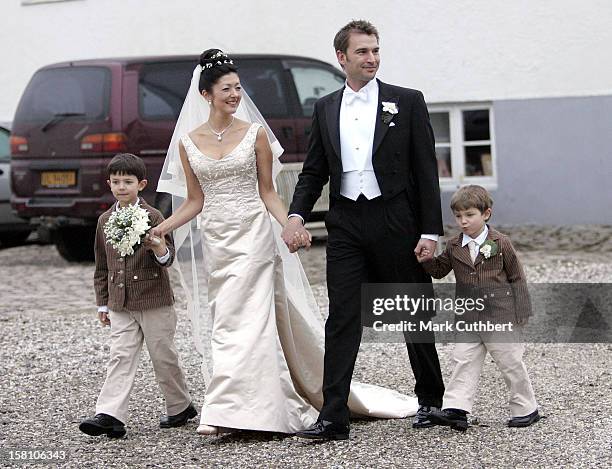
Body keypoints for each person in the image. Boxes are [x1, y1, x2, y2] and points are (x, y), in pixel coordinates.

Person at [153, 49, 419, 437]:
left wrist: (291, 224)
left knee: (252, 322)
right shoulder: (189, 143)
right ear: (206, 95)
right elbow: (195, 200)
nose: (234, 94)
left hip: (255, 236)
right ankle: (238, 406)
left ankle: (244, 411)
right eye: (226, 88)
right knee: (227, 320)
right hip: (218, 241)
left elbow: (268, 192)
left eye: (238, 88)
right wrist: (163, 227)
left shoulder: (255, 134)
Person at [282, 20, 445, 440]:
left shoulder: (407, 102)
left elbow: (426, 171)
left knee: (413, 309)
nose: (371, 58)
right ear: (342, 58)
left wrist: (431, 230)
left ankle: (431, 399)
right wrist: (297, 215)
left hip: (396, 219)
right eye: (362, 52)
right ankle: (333, 414)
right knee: (342, 316)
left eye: (375, 50)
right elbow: (314, 170)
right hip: (347, 223)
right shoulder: (325, 107)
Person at [79, 153, 195, 439]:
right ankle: (110, 414)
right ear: (109, 184)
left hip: (154, 300)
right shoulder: (105, 220)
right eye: (116, 182)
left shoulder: (154, 216)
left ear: (141, 184)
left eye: (128, 182)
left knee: (163, 357)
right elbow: (102, 265)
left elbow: (167, 260)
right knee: (120, 356)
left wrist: (157, 247)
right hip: (120, 304)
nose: (121, 187)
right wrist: (103, 303)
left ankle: (181, 407)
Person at [417, 185, 540, 431]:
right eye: (459, 216)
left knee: (510, 363)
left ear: (486, 214)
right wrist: (427, 261)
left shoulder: (501, 243)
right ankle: (457, 409)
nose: (463, 221)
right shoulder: (453, 246)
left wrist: (522, 311)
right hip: (468, 317)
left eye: (469, 215)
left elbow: (517, 277)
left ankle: (526, 408)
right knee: (463, 360)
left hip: (500, 316)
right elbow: (441, 271)